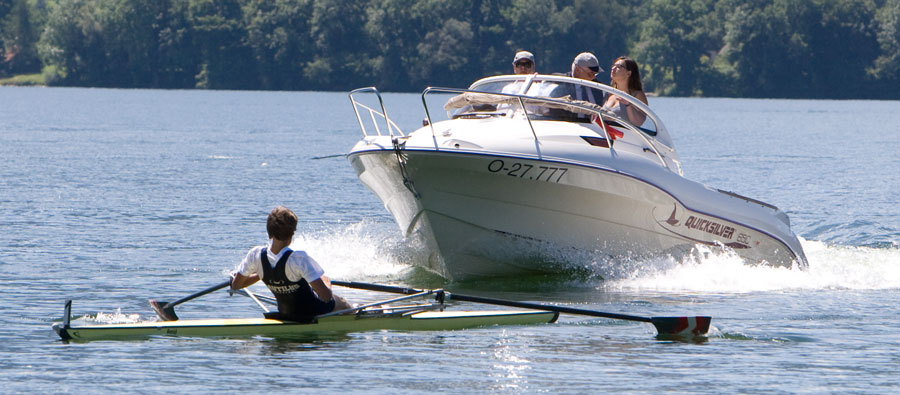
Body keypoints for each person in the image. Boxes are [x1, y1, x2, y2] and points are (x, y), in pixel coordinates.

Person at [230, 206, 351, 321]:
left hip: (285, 313)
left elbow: (236, 286)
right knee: (340, 301)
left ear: (269, 232)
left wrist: (260, 275)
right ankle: (357, 317)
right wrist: (326, 282)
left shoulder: (254, 255)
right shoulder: (299, 259)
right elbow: (326, 296)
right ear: (292, 233)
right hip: (312, 312)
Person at [603, 56, 648, 126]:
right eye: (613, 65)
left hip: (625, 135)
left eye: (618, 66)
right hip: (604, 134)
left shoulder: (637, 95)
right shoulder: (609, 93)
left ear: (628, 73)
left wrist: (628, 104)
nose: (613, 68)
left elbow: (638, 123)